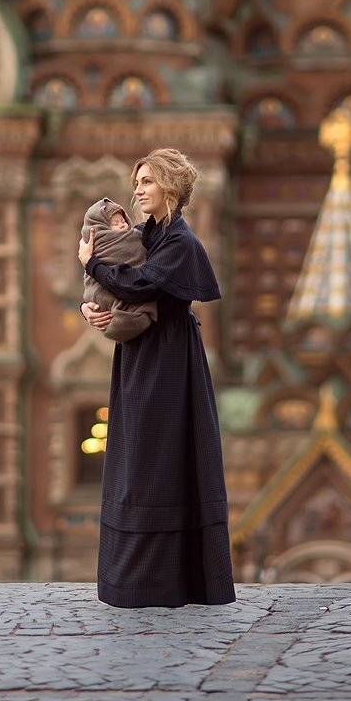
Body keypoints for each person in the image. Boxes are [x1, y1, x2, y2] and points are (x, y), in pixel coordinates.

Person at [77, 147, 236, 608]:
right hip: (141, 355)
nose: (138, 191)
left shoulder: (180, 243)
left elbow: (142, 285)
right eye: (137, 182)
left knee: (159, 459)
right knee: (137, 458)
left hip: (168, 361)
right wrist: (92, 306)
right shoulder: (146, 234)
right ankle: (135, 580)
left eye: (147, 182)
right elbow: (117, 284)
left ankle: (167, 580)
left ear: (170, 187)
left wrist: (92, 264)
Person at [80, 197, 158, 343]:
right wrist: (85, 307)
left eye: (123, 221)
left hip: (155, 336)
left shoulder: (168, 241)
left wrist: (90, 262)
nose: (123, 225)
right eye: (115, 224)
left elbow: (135, 285)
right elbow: (96, 283)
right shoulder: (105, 246)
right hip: (129, 339)